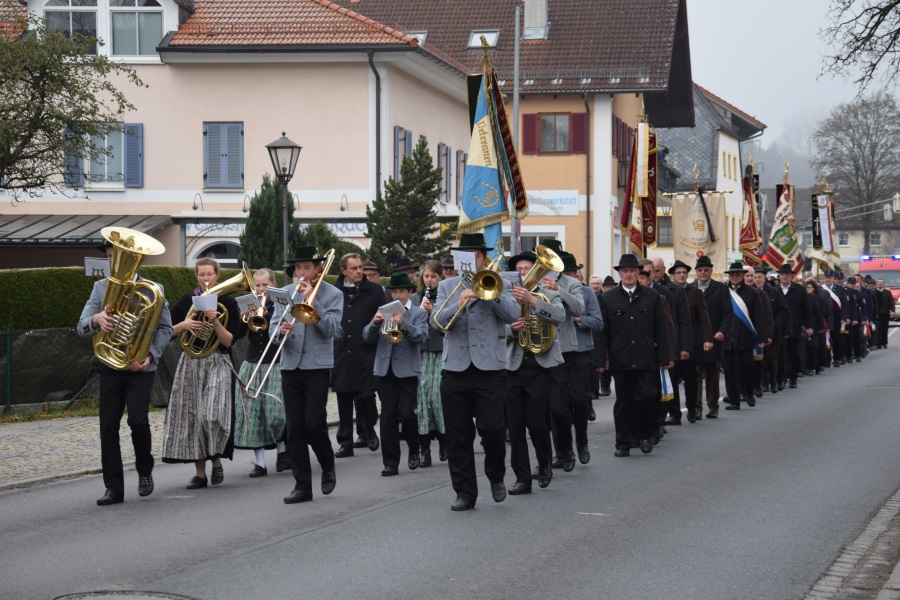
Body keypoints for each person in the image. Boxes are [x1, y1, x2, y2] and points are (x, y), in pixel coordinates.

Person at [78, 239, 173, 506]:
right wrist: (96, 320)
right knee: (108, 426)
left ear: (139, 260)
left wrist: (151, 354)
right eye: (110, 256)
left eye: (118, 256)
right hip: (111, 365)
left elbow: (166, 329)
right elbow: (81, 325)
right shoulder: (100, 288)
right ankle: (113, 488)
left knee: (138, 422)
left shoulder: (154, 289)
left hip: (140, 367)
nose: (113, 262)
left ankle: (144, 471)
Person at [432, 233, 519, 511]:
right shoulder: (446, 286)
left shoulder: (499, 281)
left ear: (483, 259)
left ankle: (496, 476)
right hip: (455, 368)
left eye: (474, 256)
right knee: (458, 435)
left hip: (490, 369)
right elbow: (437, 323)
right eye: (463, 257)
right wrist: (457, 305)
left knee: (493, 429)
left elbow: (512, 314)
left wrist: (488, 294)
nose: (468, 261)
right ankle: (465, 492)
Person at [163, 257, 245, 489]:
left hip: (217, 362)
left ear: (217, 275)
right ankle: (200, 474)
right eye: (201, 275)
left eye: (209, 274)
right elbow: (165, 332)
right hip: (190, 363)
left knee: (211, 415)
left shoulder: (228, 303)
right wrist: (184, 325)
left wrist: (215, 322)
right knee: (192, 417)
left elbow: (229, 342)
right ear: (196, 276)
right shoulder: (187, 301)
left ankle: (216, 461)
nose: (206, 278)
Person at [272, 246, 343, 504]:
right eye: (298, 268)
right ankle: (302, 486)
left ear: (317, 270)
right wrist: (281, 331)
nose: (301, 273)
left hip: (317, 367)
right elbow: (271, 328)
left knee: (314, 424)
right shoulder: (285, 293)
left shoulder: (333, 294)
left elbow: (332, 330)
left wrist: (315, 300)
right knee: (294, 429)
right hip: (290, 365)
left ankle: (327, 463)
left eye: (306, 268)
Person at [504, 250, 565, 494]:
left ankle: (545, 463)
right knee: (515, 426)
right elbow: (496, 327)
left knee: (536, 421)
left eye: (527, 268)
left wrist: (532, 301)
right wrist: (511, 329)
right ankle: (522, 478)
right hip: (513, 367)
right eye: (518, 270)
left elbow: (560, 316)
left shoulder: (548, 293)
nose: (522, 273)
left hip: (540, 366)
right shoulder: (504, 296)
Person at [597, 254, 670, 457]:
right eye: (624, 271)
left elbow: (661, 330)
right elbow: (602, 332)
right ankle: (623, 443)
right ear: (619, 274)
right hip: (620, 359)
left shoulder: (652, 296)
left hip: (646, 358)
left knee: (647, 398)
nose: (628, 274)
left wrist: (664, 357)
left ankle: (646, 434)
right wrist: (600, 359)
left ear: (639, 273)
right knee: (623, 403)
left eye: (632, 271)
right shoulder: (607, 298)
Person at [363, 272, 429, 476]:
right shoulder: (383, 310)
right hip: (385, 369)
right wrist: (374, 324)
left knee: (408, 414)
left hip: (407, 369)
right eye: (395, 291)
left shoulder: (418, 313)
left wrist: (404, 324)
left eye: (402, 291)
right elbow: (366, 337)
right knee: (388, 417)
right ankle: (390, 462)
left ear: (410, 291)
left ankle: (414, 449)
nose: (398, 295)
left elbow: (422, 336)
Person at [233, 268, 288, 477]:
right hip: (252, 362)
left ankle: (282, 450)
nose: (262, 289)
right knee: (252, 414)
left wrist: (268, 314)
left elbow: (280, 332)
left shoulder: (282, 305)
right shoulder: (250, 303)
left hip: (274, 362)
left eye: (265, 285)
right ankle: (261, 463)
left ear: (274, 284)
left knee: (275, 411)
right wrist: (242, 318)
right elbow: (238, 335)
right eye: (258, 285)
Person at [538, 240, 586, 473]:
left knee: (559, 407)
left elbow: (579, 309)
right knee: (541, 411)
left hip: (563, 350)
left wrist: (560, 291)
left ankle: (566, 450)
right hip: (537, 350)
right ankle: (547, 458)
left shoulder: (570, 283)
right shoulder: (532, 281)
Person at [332, 253, 382, 458]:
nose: (359, 271)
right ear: (343, 271)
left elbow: (382, 315)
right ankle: (345, 442)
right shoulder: (334, 291)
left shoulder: (375, 291)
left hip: (366, 351)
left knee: (366, 394)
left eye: (360, 267)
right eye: (353, 268)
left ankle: (368, 428)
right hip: (342, 352)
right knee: (343, 398)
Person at [562, 252, 603, 464]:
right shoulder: (549, 289)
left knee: (579, 400)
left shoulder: (587, 292)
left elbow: (598, 322)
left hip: (580, 352)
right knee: (559, 405)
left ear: (576, 274)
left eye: (570, 273)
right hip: (557, 352)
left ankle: (582, 442)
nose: (567, 276)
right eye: (563, 273)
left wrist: (578, 319)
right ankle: (564, 450)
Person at [411, 259, 446, 466]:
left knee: (438, 397)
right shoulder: (416, 297)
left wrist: (433, 312)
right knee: (421, 399)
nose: (430, 280)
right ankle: (424, 448)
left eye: (434, 276)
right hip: (421, 353)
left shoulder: (445, 297)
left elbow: (448, 326)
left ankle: (444, 441)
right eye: (426, 276)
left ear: (440, 277)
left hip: (440, 352)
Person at [669, 260, 713, 422]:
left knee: (691, 379)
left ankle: (692, 408)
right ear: (672, 275)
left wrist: (707, 338)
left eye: (684, 273)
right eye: (678, 273)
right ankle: (675, 413)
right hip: (673, 344)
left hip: (691, 343)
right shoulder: (668, 291)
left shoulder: (695, 293)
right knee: (672, 380)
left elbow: (704, 318)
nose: (682, 275)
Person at [650, 256, 691, 426]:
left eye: (658, 270)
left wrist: (683, 347)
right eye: (654, 271)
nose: (657, 274)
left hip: (671, 342)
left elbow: (681, 320)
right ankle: (657, 418)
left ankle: (674, 413)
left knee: (670, 381)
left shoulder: (674, 290)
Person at [691, 255, 733, 418]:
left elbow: (728, 313)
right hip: (696, 339)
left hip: (715, 337)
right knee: (695, 375)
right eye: (700, 270)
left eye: (706, 270)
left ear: (711, 271)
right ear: (696, 272)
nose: (703, 273)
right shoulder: (691, 288)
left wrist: (722, 331)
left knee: (712, 373)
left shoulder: (720, 288)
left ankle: (713, 406)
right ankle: (696, 407)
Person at [722, 262, 764, 410]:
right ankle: (734, 400)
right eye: (732, 275)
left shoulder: (752, 292)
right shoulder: (724, 291)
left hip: (745, 337)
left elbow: (758, 315)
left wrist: (762, 338)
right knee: (729, 370)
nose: (735, 277)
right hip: (727, 338)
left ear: (742, 276)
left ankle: (749, 393)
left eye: (738, 274)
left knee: (747, 367)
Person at [777, 263, 813, 388]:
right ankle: (781, 379)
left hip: (795, 327)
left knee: (794, 354)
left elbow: (807, 309)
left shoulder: (799, 290)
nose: (784, 276)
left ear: (792, 276)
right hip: (779, 328)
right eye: (782, 274)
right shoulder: (775, 290)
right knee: (781, 356)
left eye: (787, 274)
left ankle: (793, 378)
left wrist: (809, 326)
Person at [754, 267, 790, 394]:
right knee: (759, 359)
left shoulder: (773, 292)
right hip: (755, 332)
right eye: (755, 277)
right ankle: (762, 382)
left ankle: (773, 381)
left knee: (771, 359)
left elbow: (783, 310)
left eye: (759, 277)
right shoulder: (750, 291)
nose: (757, 280)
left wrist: (775, 325)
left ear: (764, 279)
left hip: (772, 332)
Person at [875, 278, 895, 348]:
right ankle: (878, 343)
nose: (880, 283)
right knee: (878, 328)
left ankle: (884, 342)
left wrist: (892, 310)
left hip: (885, 313)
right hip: (877, 313)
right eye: (879, 282)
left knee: (884, 328)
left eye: (881, 282)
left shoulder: (887, 292)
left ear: (883, 284)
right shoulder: (874, 292)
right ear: (877, 283)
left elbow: (891, 302)